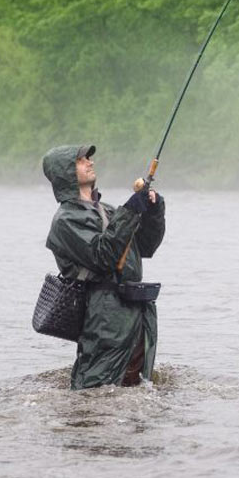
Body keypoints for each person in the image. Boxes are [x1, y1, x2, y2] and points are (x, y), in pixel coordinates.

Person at [42, 144, 166, 389]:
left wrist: (153, 210)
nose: (89, 162)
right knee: (97, 388)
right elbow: (103, 256)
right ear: (65, 173)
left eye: (89, 158)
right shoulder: (65, 221)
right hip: (104, 315)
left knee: (136, 386)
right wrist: (130, 209)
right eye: (80, 160)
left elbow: (145, 246)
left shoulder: (108, 210)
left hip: (136, 311)